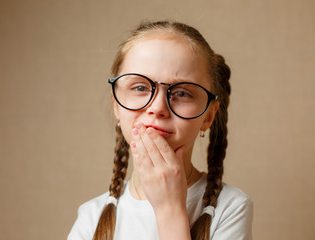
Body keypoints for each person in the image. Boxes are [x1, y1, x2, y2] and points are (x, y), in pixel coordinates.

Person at [68, 20, 253, 240]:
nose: (157, 108)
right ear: (116, 106)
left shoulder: (231, 208)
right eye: (140, 88)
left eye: (182, 93)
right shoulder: (91, 217)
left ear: (208, 116)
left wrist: (170, 210)